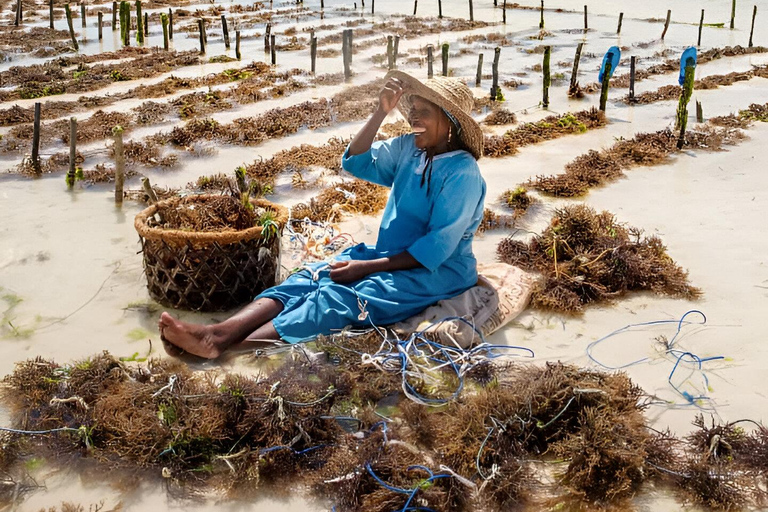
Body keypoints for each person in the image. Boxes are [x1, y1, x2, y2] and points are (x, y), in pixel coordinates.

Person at [159, 70, 487, 359]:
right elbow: (356, 162)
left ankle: (222, 347)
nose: (414, 119)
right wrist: (378, 113)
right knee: (310, 277)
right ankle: (222, 332)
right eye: (412, 111)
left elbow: (437, 248)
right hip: (388, 256)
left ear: (449, 123)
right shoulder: (409, 148)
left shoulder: (462, 173)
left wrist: (365, 267)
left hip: (436, 271)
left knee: (338, 298)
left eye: (424, 113)